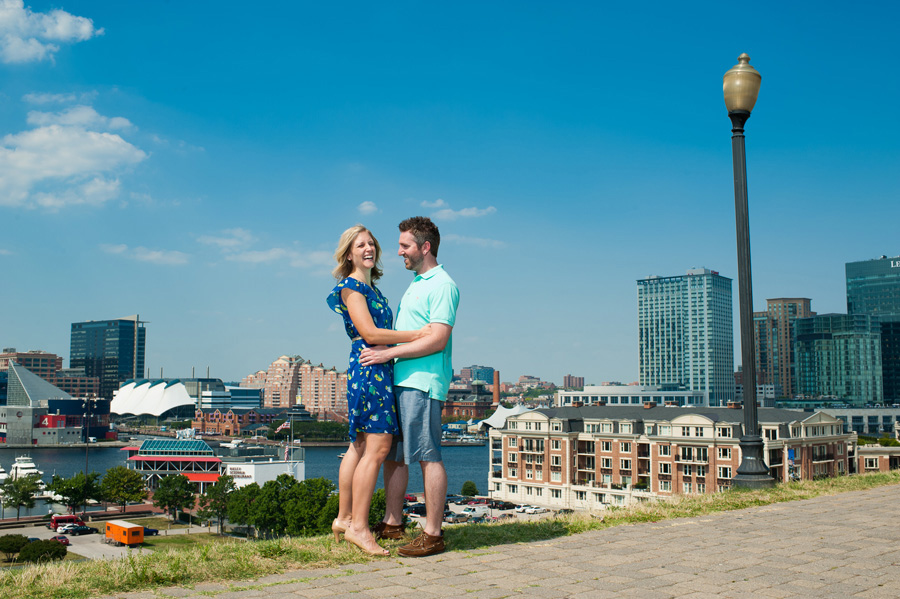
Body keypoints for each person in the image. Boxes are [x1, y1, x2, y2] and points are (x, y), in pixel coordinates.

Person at [326, 224, 431, 556]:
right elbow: (369, 331)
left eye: (371, 244)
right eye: (360, 245)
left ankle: (344, 519)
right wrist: (417, 335)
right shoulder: (352, 288)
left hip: (376, 366)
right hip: (371, 367)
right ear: (348, 253)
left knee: (359, 446)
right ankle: (359, 527)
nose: (368, 249)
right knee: (378, 446)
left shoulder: (370, 287)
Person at [360, 216, 459, 557]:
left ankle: (433, 534)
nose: (398, 251)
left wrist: (389, 353)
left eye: (405, 246)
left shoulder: (442, 285)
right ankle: (392, 523)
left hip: (422, 384)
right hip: (401, 382)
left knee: (428, 456)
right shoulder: (418, 282)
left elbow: (437, 339)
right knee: (394, 457)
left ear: (425, 247)